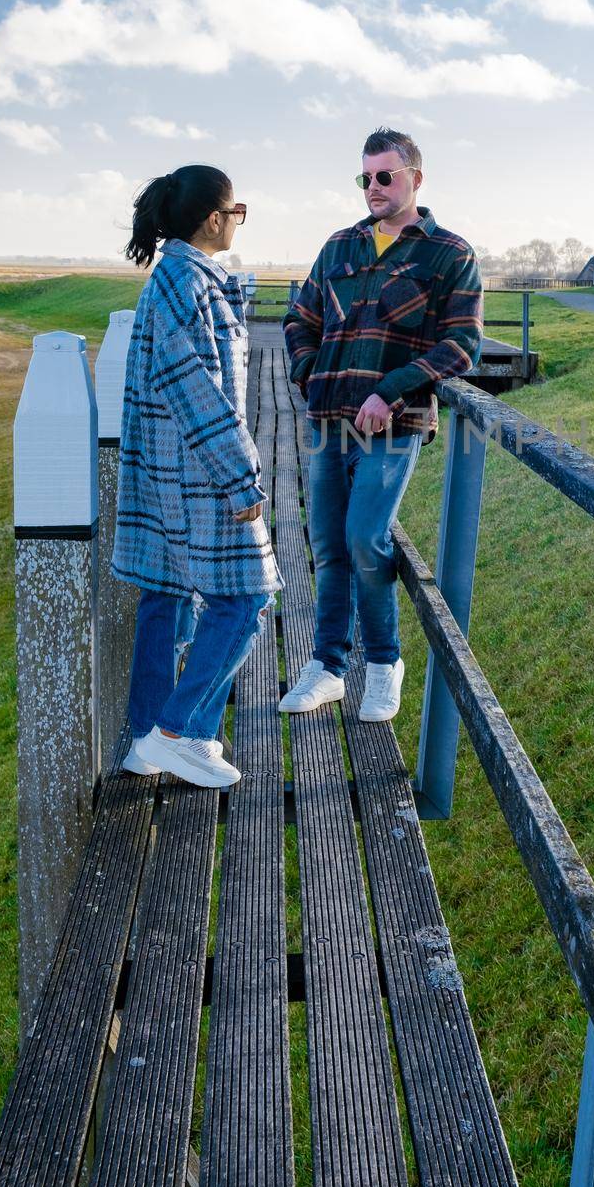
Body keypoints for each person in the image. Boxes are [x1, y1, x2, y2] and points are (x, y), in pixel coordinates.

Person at [281, 129, 482, 721]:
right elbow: (300, 319)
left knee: (366, 537)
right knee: (327, 543)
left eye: (385, 177)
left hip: (394, 424)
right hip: (330, 418)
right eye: (365, 178)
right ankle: (327, 667)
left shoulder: (449, 253)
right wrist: (308, 373)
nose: (374, 187)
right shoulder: (339, 246)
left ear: (415, 179)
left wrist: (390, 391)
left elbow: (462, 343)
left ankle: (383, 666)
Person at [113, 163, 281, 789]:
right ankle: (181, 732)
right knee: (247, 598)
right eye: (237, 211)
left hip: (164, 466)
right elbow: (198, 392)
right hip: (195, 472)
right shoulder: (190, 283)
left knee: (164, 594)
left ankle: (144, 742)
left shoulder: (176, 278)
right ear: (215, 218)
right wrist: (241, 478)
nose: (238, 221)